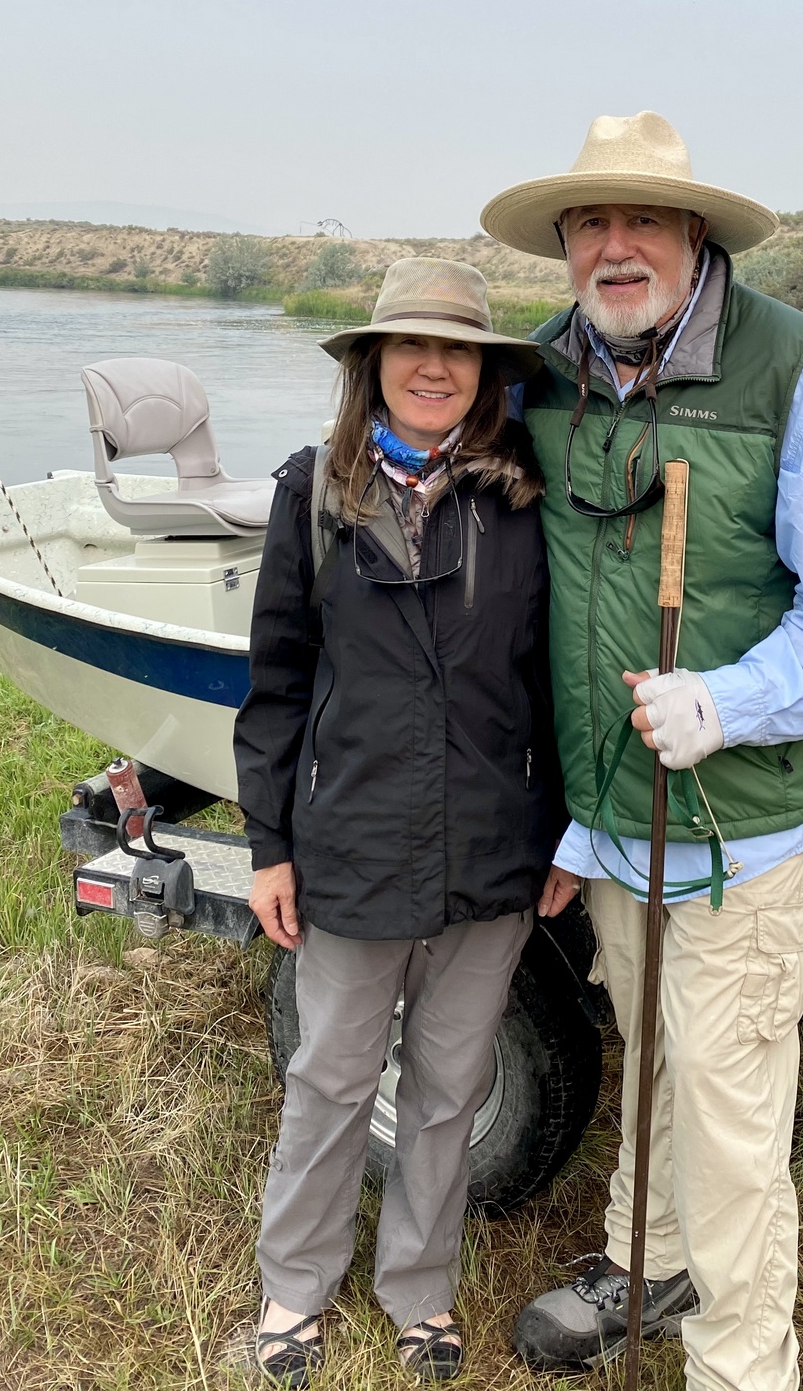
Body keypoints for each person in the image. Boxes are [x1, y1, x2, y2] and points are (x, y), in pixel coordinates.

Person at [480, 113, 803, 1391]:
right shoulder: (543, 372)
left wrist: (725, 702)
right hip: (614, 820)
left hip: (740, 832)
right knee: (654, 1056)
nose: (615, 248)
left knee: (728, 1123)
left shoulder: (791, 368)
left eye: (643, 222)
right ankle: (645, 1262)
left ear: (694, 235)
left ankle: (740, 1365)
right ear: (565, 245)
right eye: (589, 225)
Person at [234, 257, 562, 1386]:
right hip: (353, 845)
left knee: (448, 1088)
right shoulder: (310, 494)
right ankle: (294, 1287)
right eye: (412, 346)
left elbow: (552, 686)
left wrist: (563, 831)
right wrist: (269, 848)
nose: (434, 367)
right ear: (372, 363)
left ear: (485, 373)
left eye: (457, 349)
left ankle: (420, 1292)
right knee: (331, 1079)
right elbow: (277, 683)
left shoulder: (524, 502)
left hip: (492, 850)